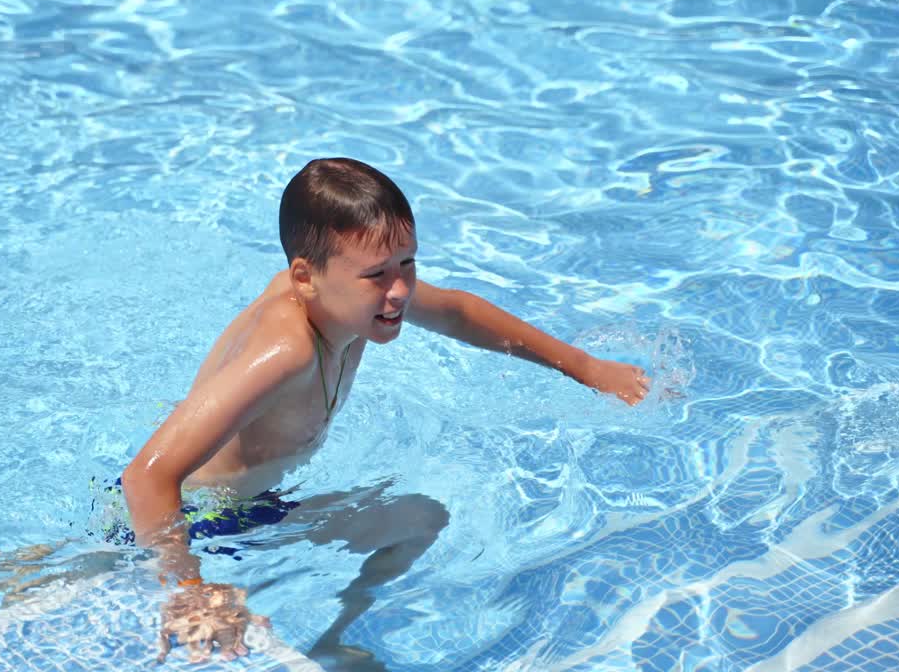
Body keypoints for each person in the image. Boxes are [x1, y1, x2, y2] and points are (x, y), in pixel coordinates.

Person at [121, 157, 650, 668]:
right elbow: (146, 477)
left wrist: (586, 367)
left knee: (420, 518)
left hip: (256, 507)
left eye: (408, 264)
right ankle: (325, 637)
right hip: (203, 523)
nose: (399, 290)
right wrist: (188, 591)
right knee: (420, 518)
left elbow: (458, 312)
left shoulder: (346, 297)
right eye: (377, 274)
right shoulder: (287, 351)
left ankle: (336, 638)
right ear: (305, 277)